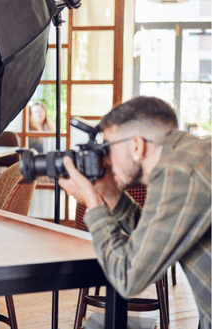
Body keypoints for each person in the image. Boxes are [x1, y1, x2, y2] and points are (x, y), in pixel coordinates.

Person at [58, 96, 211, 328]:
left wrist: (92, 201)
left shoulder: (179, 172)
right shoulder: (189, 154)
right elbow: (155, 237)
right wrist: (109, 193)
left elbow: (127, 278)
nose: (106, 160)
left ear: (137, 145)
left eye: (108, 147)